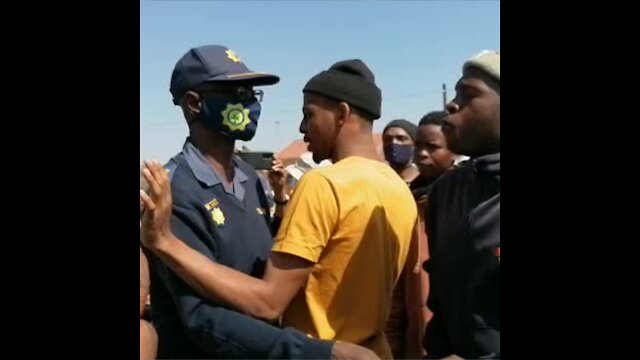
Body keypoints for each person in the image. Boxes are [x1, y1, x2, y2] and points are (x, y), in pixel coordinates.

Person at [140, 59, 417, 359]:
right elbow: (200, 315)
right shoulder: (398, 187)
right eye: (237, 93)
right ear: (194, 103)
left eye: (251, 94)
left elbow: (268, 298)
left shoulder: (299, 182)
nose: (250, 105)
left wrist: (165, 242)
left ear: (342, 115)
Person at [422, 50, 500, 359]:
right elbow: (441, 302)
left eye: (468, 94)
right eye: (454, 93)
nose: (451, 104)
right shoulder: (446, 192)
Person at [386, 111, 461, 359]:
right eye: (418, 146)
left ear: (455, 151)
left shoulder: (465, 203)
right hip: (411, 337)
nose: (422, 155)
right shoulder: (407, 200)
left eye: (433, 147)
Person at [382, 119, 420, 184]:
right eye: (388, 139)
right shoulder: (379, 180)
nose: (393, 142)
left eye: (401, 138)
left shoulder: (425, 183)